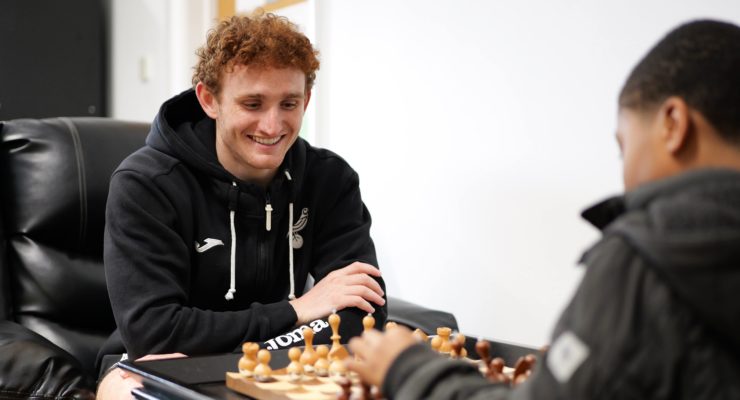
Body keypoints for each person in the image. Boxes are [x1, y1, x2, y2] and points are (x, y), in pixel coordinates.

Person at [348, 19, 740, 399]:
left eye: (625, 146)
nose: (625, 173)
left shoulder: (647, 257)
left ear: (673, 124)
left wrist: (407, 368)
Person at [96, 11, 387, 390]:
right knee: (130, 387)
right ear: (209, 100)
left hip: (284, 358)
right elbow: (154, 335)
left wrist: (265, 344)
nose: (272, 125)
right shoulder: (146, 184)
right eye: (252, 104)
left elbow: (363, 313)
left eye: (289, 104)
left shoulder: (330, 179)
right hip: (154, 363)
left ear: (307, 99)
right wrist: (297, 311)